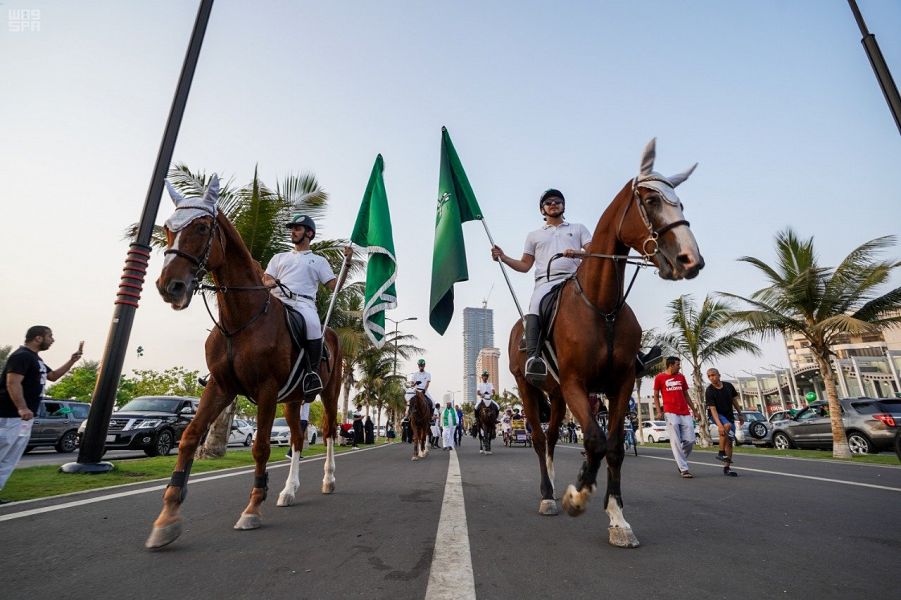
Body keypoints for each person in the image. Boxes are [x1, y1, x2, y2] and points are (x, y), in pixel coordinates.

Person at [491, 189, 661, 384]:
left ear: (563, 206)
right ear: (542, 210)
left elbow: (594, 252)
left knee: (614, 301)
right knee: (535, 306)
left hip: (576, 279)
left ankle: (637, 355)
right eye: (548, 202)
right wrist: (503, 258)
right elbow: (525, 265)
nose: (553, 204)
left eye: (557, 201)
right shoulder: (534, 235)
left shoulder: (578, 228)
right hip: (547, 282)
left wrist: (578, 253)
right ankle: (533, 357)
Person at [262, 214, 352, 400]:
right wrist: (270, 282)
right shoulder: (279, 257)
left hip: (302, 304)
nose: (293, 232)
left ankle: (311, 375)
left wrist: (347, 264)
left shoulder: (318, 261)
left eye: (297, 228)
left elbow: (334, 286)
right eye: (292, 228)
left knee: (314, 328)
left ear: (309, 233)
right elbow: (266, 277)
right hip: (276, 299)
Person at [0, 326, 82, 501]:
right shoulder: (21, 356)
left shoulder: (36, 359)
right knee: (3, 452)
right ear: (38, 338)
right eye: (50, 336)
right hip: (9, 416)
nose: (52, 340)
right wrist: (22, 407)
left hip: (24, 419)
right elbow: (13, 382)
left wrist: (72, 361)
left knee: (10, 458)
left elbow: (52, 376)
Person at [653, 357, 697, 478]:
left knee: (690, 440)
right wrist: (658, 411)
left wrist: (694, 410)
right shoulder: (659, 377)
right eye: (678, 364)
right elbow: (656, 396)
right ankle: (684, 469)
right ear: (670, 365)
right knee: (676, 441)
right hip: (670, 412)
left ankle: (680, 461)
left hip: (685, 412)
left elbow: (686, 395)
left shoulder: (681, 377)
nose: (679, 366)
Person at [705, 368, 743, 477]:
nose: (711, 377)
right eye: (709, 376)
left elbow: (734, 401)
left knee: (730, 442)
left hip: (729, 416)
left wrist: (740, 414)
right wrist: (720, 425)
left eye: (713, 375)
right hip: (716, 415)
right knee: (726, 425)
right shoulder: (709, 390)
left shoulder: (728, 386)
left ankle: (727, 468)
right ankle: (721, 452)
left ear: (719, 375)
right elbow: (712, 409)